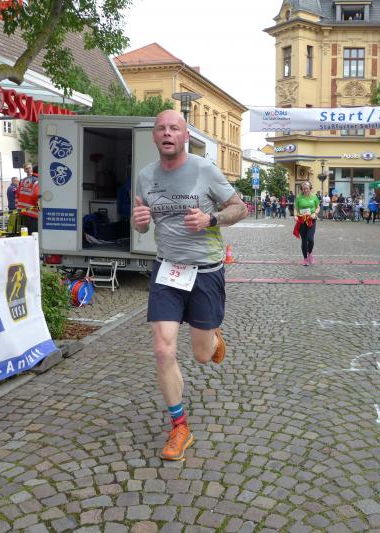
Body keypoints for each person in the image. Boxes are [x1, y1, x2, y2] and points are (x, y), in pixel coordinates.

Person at [132, 110, 248, 461]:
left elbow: (240, 208)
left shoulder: (204, 170)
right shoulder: (145, 177)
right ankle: (179, 426)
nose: (167, 133)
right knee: (162, 349)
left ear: (185, 136)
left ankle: (213, 339)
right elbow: (142, 225)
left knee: (201, 354)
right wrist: (139, 222)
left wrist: (211, 218)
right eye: (161, 128)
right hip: (167, 270)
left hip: (206, 271)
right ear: (154, 136)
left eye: (174, 128)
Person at [293, 181, 320, 265]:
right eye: (304, 189)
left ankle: (309, 253)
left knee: (310, 239)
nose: (305, 190)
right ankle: (305, 259)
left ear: (310, 188)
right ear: (302, 189)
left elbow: (318, 207)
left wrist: (315, 213)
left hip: (311, 220)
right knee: (304, 240)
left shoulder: (314, 197)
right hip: (302, 220)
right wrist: (295, 215)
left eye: (307, 188)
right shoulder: (299, 197)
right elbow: (296, 208)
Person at [16, 163, 40, 233]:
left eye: (30, 168)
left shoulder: (23, 180)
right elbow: (37, 196)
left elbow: (18, 194)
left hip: (23, 211)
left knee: (26, 233)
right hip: (33, 213)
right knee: (34, 234)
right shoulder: (38, 181)